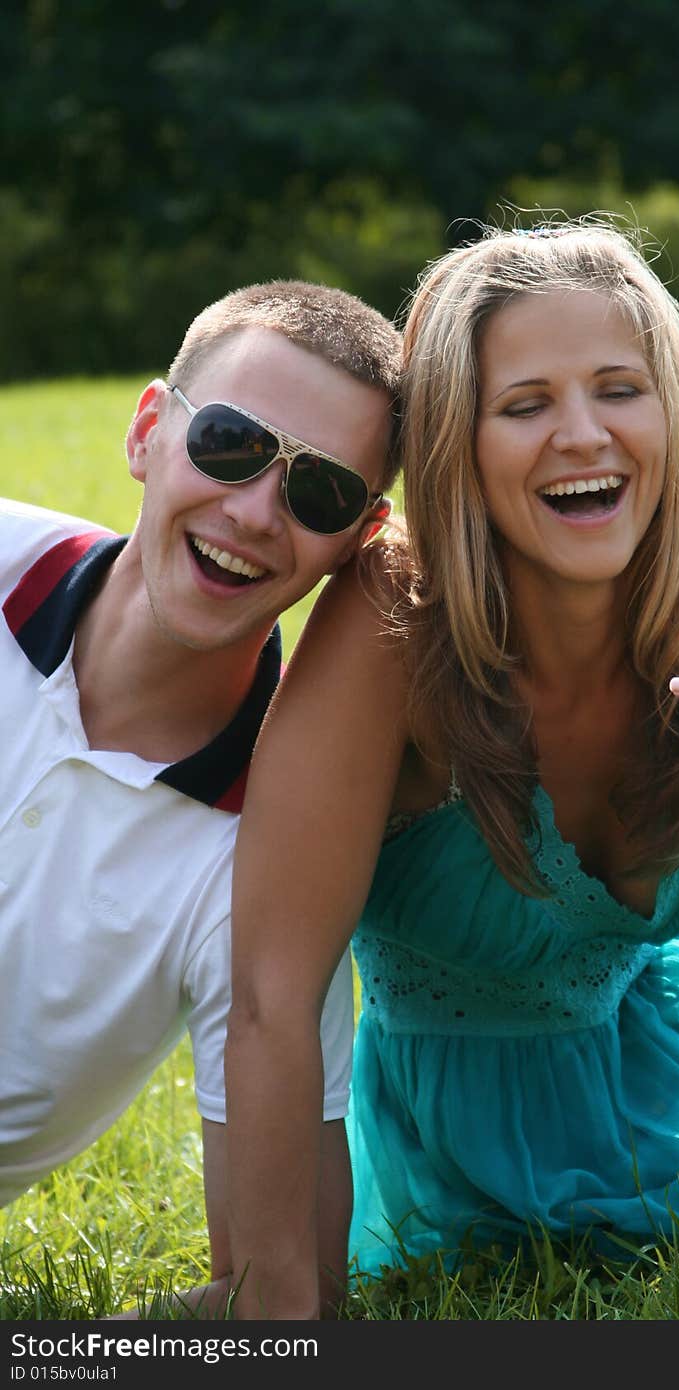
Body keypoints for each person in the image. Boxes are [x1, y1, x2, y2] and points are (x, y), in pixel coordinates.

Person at [225, 220, 679, 1321]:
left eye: (619, 388)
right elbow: (272, 996)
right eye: (524, 405)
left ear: (670, 408)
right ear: (455, 445)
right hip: (472, 1131)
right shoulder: (392, 635)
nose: (583, 435)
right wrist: (279, 1310)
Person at [0, 276, 402, 1317]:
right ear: (147, 430)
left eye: (317, 495)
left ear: (359, 541)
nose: (254, 512)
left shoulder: (267, 878)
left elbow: (284, 1307)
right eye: (228, 442)